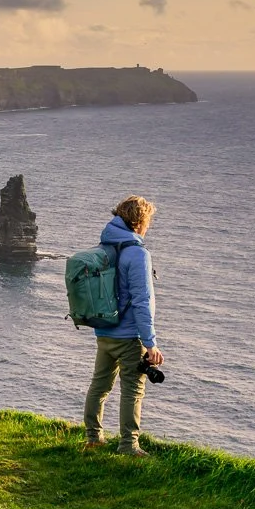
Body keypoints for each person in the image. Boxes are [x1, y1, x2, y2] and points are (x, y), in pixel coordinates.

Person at [83, 195, 163, 455]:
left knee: (99, 386)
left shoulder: (105, 246)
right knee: (132, 390)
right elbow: (142, 301)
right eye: (148, 221)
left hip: (104, 330)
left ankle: (93, 438)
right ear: (139, 222)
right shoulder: (138, 254)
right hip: (129, 336)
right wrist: (150, 344)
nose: (148, 226)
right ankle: (129, 445)